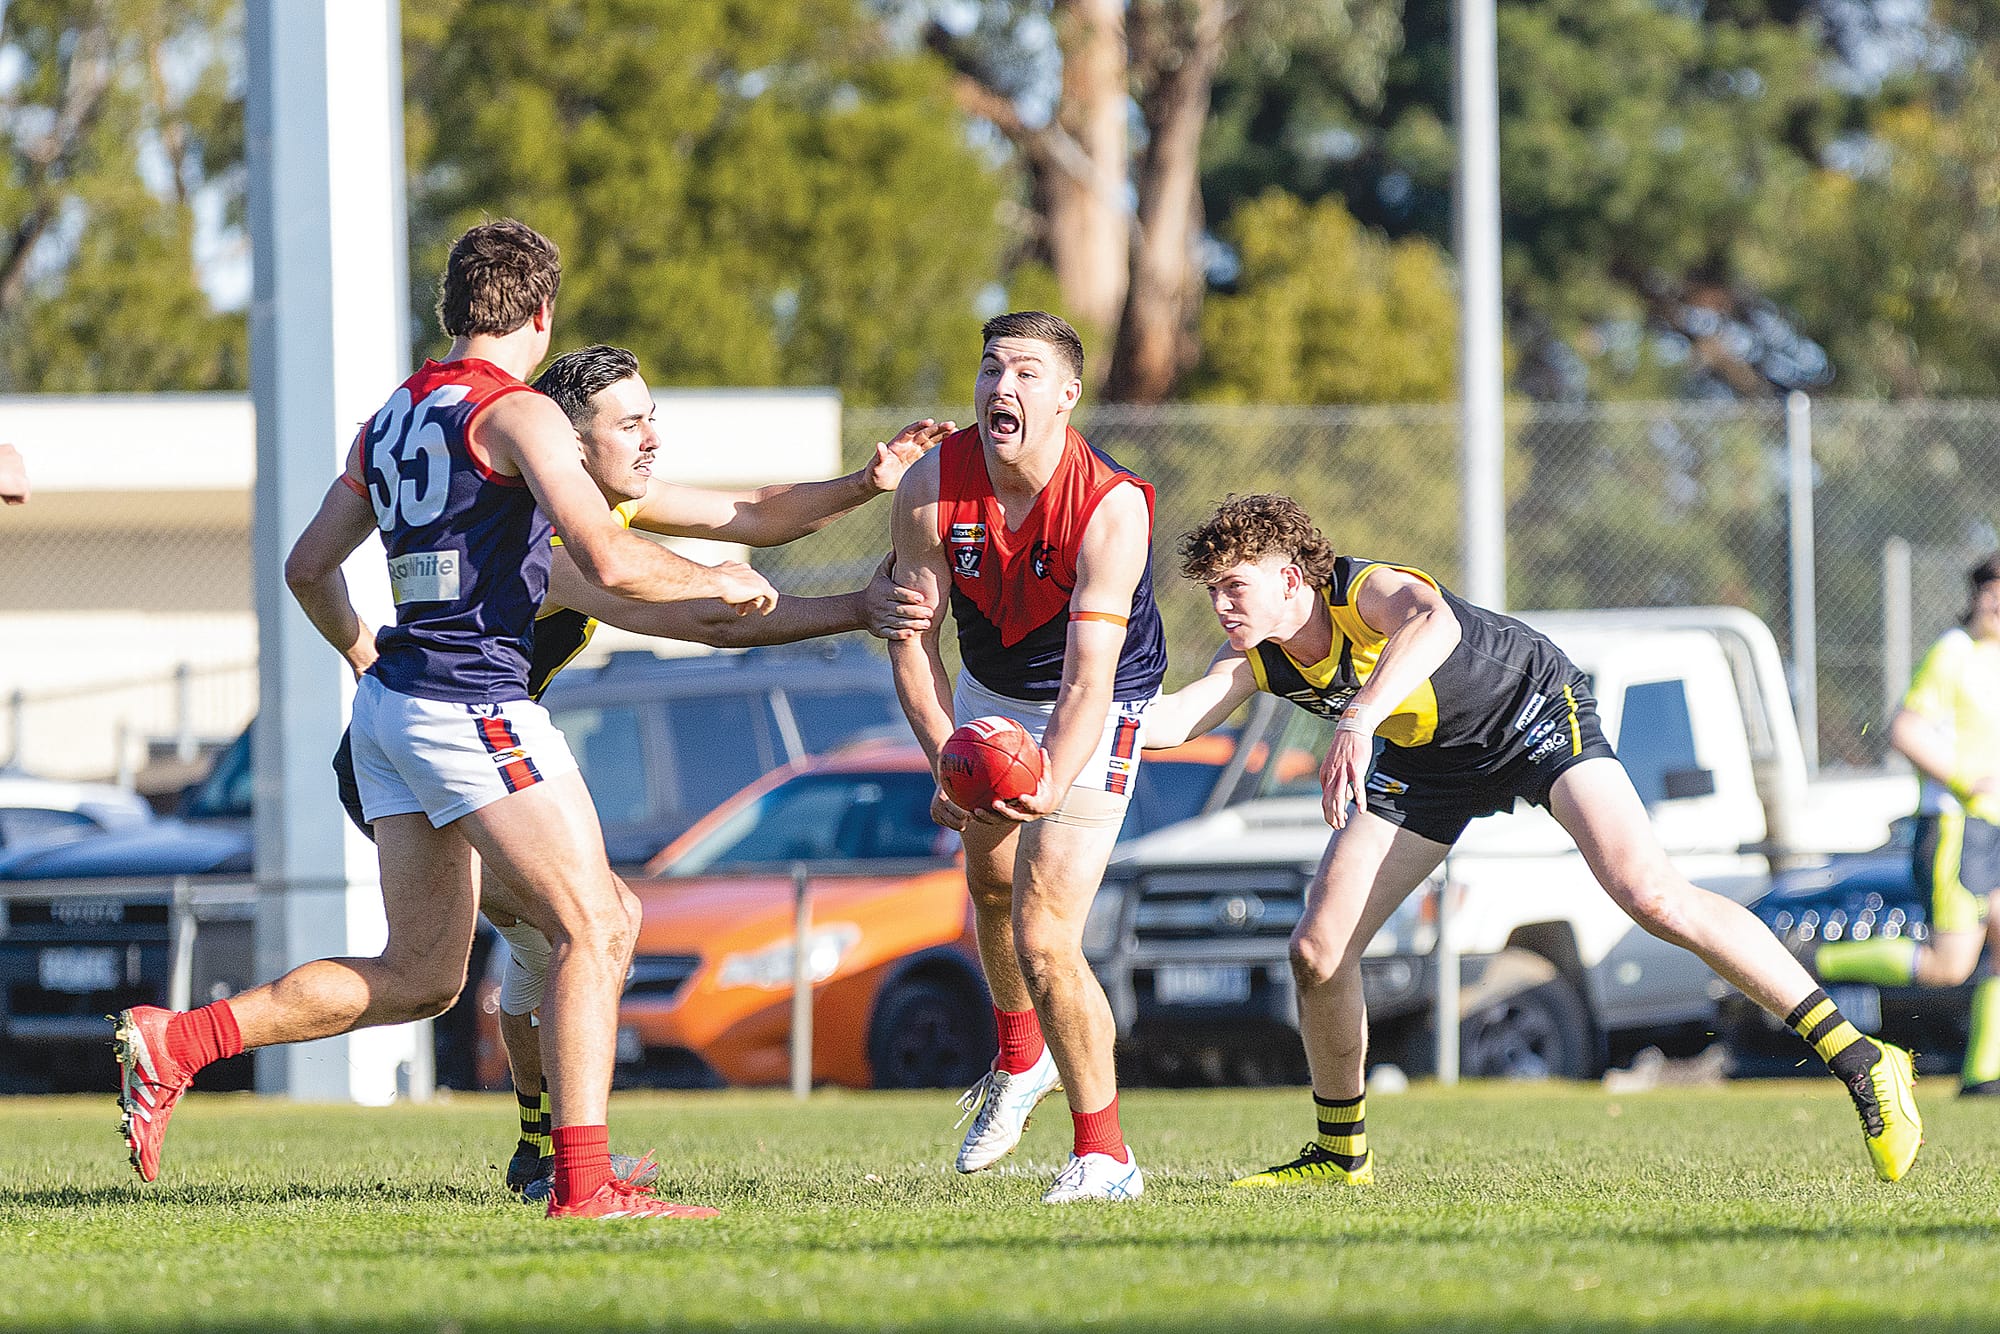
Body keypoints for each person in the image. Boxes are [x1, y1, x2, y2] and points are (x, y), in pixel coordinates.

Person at [114, 219, 778, 1220]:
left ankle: (182, 1040)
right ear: (543, 314)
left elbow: (306, 567)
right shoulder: (520, 414)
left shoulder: (388, 416)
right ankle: (582, 1180)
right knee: (597, 921)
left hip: (391, 706)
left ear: (450, 309)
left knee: (423, 974)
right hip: (472, 701)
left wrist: (356, 649)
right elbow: (605, 554)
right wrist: (717, 576)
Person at [1139, 493, 1923, 1186]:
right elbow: (1177, 717)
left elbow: (1432, 621)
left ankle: (1862, 1059)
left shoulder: (1361, 587)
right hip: (1431, 763)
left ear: (1289, 578)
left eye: (1234, 587)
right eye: (1212, 592)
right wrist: (1072, 725)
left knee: (1647, 894)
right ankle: (1342, 1156)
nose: (1223, 607)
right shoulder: (1256, 656)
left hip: (1536, 714)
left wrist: (1357, 717)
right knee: (1317, 950)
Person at [328, 341, 944, 1202]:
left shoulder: (602, 502)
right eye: (631, 422)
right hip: (453, 748)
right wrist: (850, 608)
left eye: (651, 415)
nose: (653, 437)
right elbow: (710, 623)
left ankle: (543, 1150)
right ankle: (560, 1164)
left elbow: (756, 512)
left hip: (450, 744)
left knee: (546, 945)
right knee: (559, 937)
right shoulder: (561, 540)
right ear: (567, 447)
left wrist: (865, 482)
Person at [887, 311, 1166, 1203]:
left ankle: (1107, 1157)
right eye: (991, 369)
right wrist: (947, 762)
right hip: (991, 689)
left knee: (1046, 934)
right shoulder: (932, 482)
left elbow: (1088, 685)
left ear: (1068, 397)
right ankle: (1020, 1059)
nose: (1002, 388)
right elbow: (909, 639)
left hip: (1101, 700)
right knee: (991, 886)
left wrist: (1046, 780)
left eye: (1028, 373)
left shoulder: (1111, 505)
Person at [1817, 554, 2000, 1095]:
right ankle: (1810, 960)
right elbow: (1905, 730)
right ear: (1974, 596)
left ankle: (1984, 1074)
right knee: (1950, 964)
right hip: (1958, 827)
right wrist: (1969, 778)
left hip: (1994, 827)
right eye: (1989, 590)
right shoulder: (1953, 653)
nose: (1997, 601)